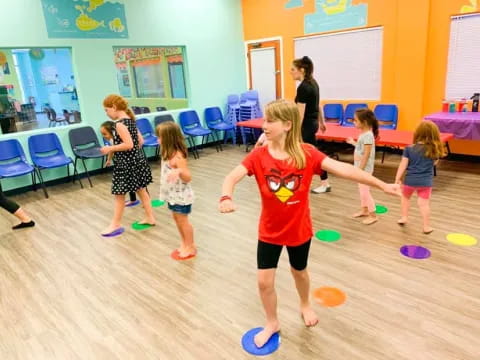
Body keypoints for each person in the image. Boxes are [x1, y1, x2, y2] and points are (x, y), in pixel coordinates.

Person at [220, 100, 400, 348]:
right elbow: (231, 176)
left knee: (299, 272)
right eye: (264, 120)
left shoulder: (307, 153)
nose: (264, 125)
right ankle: (272, 322)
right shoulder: (258, 155)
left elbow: (345, 170)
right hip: (269, 231)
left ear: (287, 124)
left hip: (298, 230)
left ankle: (305, 304)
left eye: (270, 120)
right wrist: (226, 196)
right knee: (263, 281)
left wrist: (382, 185)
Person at [99, 95, 155, 236]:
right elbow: (140, 141)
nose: (106, 113)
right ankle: (150, 217)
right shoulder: (130, 121)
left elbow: (129, 144)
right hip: (137, 161)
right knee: (141, 190)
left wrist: (110, 149)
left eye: (106, 110)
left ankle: (115, 224)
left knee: (119, 195)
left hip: (126, 165)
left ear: (114, 107)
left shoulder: (119, 124)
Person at [395, 120, 445, 234]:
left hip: (410, 181)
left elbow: (403, 164)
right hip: (426, 183)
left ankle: (404, 218)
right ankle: (426, 226)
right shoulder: (434, 150)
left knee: (405, 198)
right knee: (424, 204)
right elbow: (434, 164)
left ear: (417, 133)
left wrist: (397, 178)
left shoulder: (409, 149)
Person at [156, 122, 196, 259]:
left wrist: (178, 171)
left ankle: (190, 247)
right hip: (173, 194)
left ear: (168, 138)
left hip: (182, 196)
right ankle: (185, 243)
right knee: (177, 219)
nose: (157, 140)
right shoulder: (167, 153)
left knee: (183, 221)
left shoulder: (178, 156)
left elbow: (188, 177)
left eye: (159, 137)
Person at [292, 56, 331, 194]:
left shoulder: (303, 87)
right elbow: (318, 105)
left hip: (305, 126)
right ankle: (321, 182)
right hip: (312, 124)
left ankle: (322, 183)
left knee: (310, 155)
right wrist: (322, 122)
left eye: (293, 70)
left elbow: (300, 113)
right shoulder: (313, 83)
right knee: (309, 154)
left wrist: (295, 131)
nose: (291, 72)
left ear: (302, 70)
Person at [346, 108, 379, 225]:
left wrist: (360, 170)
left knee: (365, 192)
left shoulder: (368, 136)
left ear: (364, 122)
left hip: (364, 169)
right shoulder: (364, 134)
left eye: (355, 120)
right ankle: (364, 210)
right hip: (360, 167)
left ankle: (373, 215)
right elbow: (361, 149)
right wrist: (353, 143)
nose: (353, 122)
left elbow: (367, 153)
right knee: (362, 190)